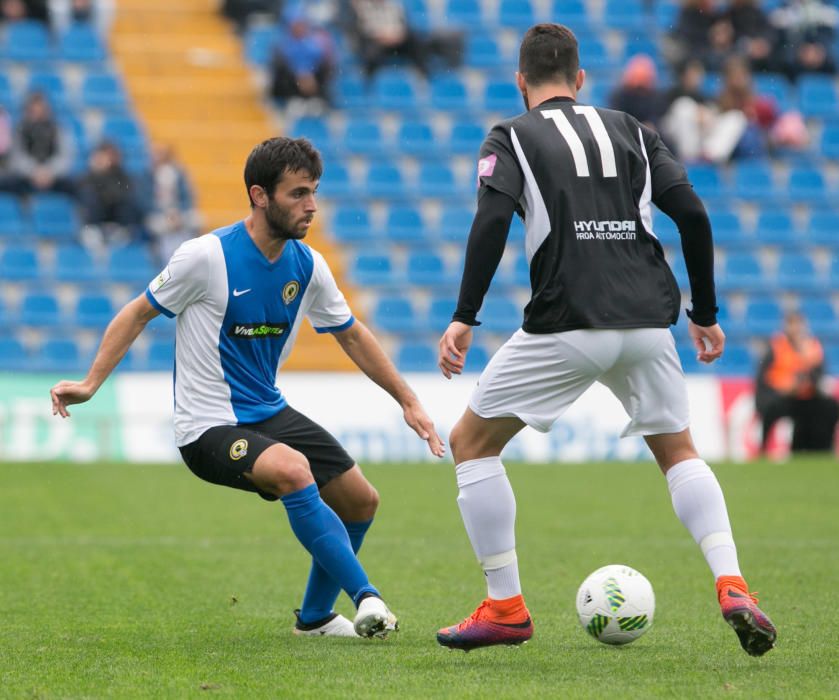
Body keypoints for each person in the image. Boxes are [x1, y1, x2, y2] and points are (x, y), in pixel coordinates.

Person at [434, 23, 776, 657]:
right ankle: (732, 583)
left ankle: (506, 606)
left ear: (521, 81)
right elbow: (694, 215)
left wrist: (464, 315)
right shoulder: (635, 130)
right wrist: (703, 310)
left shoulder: (509, 133)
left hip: (568, 319)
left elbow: (489, 220)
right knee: (678, 452)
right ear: (581, 79)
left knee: (471, 444)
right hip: (649, 322)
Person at [51, 136, 445, 639]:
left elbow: (352, 335)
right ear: (260, 196)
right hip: (206, 426)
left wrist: (408, 400)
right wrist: (90, 384)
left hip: (267, 412)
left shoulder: (307, 265)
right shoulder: (206, 256)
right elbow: (137, 312)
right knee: (293, 468)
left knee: (360, 500)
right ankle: (367, 597)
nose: (312, 205)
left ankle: (316, 619)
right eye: (298, 194)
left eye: (314, 192)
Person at [755, 311, 839, 454]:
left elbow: (819, 375)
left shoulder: (812, 347)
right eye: (791, 324)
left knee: (830, 407)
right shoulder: (776, 347)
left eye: (798, 325)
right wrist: (785, 388)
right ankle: (763, 450)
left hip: (806, 395)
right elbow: (765, 378)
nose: (795, 329)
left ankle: (823, 448)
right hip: (782, 396)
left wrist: (807, 363)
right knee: (772, 407)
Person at [139, 144, 200, 264]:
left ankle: (189, 261)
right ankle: (165, 263)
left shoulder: (178, 175)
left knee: (196, 221)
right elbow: (145, 201)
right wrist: (166, 214)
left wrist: (178, 213)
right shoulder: (146, 176)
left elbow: (187, 198)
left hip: (179, 215)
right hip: (158, 216)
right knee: (159, 228)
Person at [77, 141, 143, 248]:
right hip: (97, 216)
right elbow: (83, 190)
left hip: (116, 216)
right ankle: (93, 231)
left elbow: (120, 194)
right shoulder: (89, 175)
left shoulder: (121, 175)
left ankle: (122, 231)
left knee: (127, 205)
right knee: (90, 198)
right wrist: (98, 173)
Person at [9, 91, 76, 196]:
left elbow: (66, 155)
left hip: (53, 177)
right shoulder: (20, 129)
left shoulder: (58, 128)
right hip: (26, 178)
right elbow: (16, 156)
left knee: (80, 187)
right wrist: (33, 172)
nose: (38, 113)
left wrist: (49, 172)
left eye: (41, 110)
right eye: (33, 110)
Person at [269, 8, 336, 110]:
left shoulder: (314, 44)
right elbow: (282, 66)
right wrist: (300, 75)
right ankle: (290, 101)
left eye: (301, 25)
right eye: (296, 25)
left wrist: (308, 75)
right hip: (291, 85)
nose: (299, 28)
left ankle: (316, 102)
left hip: (312, 83)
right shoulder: (282, 46)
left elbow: (320, 63)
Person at [348, 0, 429, 79]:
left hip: (397, 42)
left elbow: (403, 27)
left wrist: (397, 36)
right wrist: (384, 37)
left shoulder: (394, 6)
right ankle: (370, 81)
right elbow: (365, 30)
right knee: (371, 51)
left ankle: (424, 76)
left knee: (415, 41)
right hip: (377, 43)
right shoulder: (364, 8)